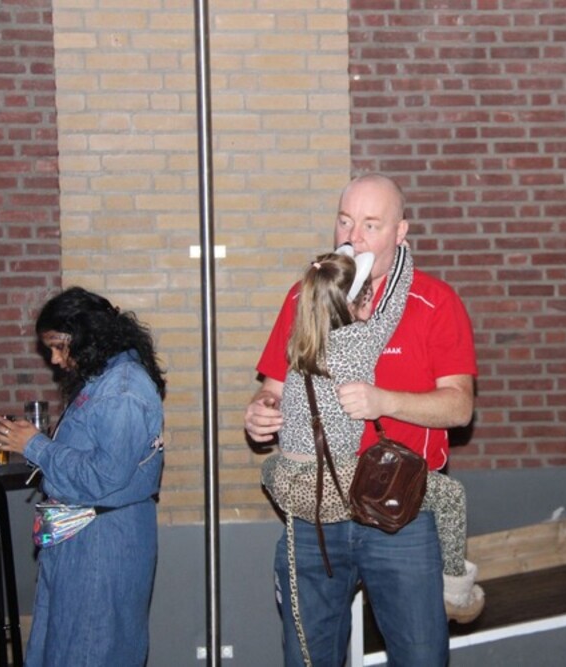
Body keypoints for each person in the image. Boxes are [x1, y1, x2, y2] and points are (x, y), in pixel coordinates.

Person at [245, 173, 477, 666]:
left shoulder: (435, 302)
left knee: (420, 657)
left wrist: (383, 401)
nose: (353, 237)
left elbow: (459, 408)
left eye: (371, 225)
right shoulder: (305, 297)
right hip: (315, 509)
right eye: (345, 221)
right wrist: (261, 410)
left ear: (401, 232)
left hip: (401, 511)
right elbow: (273, 388)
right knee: (308, 657)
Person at [0, 287, 166, 667]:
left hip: (103, 538)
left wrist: (35, 445)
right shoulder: (103, 376)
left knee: (91, 648)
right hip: (81, 532)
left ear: (86, 335)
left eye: (58, 346)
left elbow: (103, 477)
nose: (54, 359)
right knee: (66, 644)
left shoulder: (123, 390)